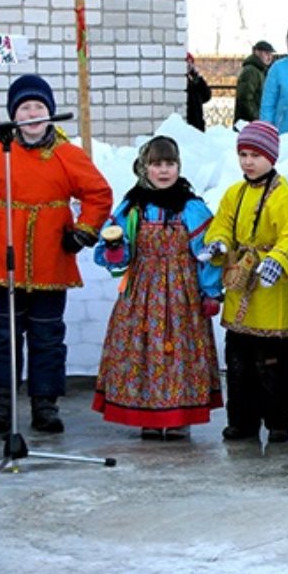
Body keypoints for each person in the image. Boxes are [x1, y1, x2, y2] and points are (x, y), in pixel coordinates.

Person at [0, 74, 112, 434]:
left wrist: (83, 232)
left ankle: (45, 404)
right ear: (13, 114)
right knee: (1, 335)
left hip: (50, 261)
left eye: (38, 107)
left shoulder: (67, 154)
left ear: (50, 113)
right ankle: (0, 402)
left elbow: (98, 194)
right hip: (2, 262)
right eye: (24, 107)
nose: (31, 114)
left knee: (46, 337)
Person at [91, 136, 223, 440]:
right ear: (144, 167)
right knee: (144, 349)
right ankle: (146, 413)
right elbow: (115, 247)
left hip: (182, 292)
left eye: (170, 164)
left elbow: (209, 254)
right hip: (142, 289)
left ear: (179, 167)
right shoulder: (133, 206)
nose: (164, 171)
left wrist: (211, 291)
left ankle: (179, 415)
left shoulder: (191, 207)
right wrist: (115, 250)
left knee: (179, 350)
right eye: (156, 164)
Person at [201, 121, 288, 444]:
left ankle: (279, 421)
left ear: (272, 157)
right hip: (241, 288)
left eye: (256, 155)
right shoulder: (233, 194)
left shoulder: (285, 196)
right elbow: (221, 224)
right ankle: (243, 420)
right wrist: (220, 243)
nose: (248, 162)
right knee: (239, 362)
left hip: (272, 291)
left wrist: (278, 259)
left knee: (274, 362)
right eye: (243, 154)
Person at [233, 40, 275, 128]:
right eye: (266, 53)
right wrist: (257, 118)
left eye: (271, 54)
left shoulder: (261, 71)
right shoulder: (251, 71)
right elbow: (245, 98)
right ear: (257, 52)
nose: (269, 57)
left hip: (255, 123)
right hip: (248, 124)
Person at [185, 52, 212, 131]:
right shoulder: (182, 82)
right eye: (187, 62)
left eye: (191, 63)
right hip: (188, 123)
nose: (189, 66)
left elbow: (206, 95)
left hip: (197, 123)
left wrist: (196, 76)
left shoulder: (194, 82)